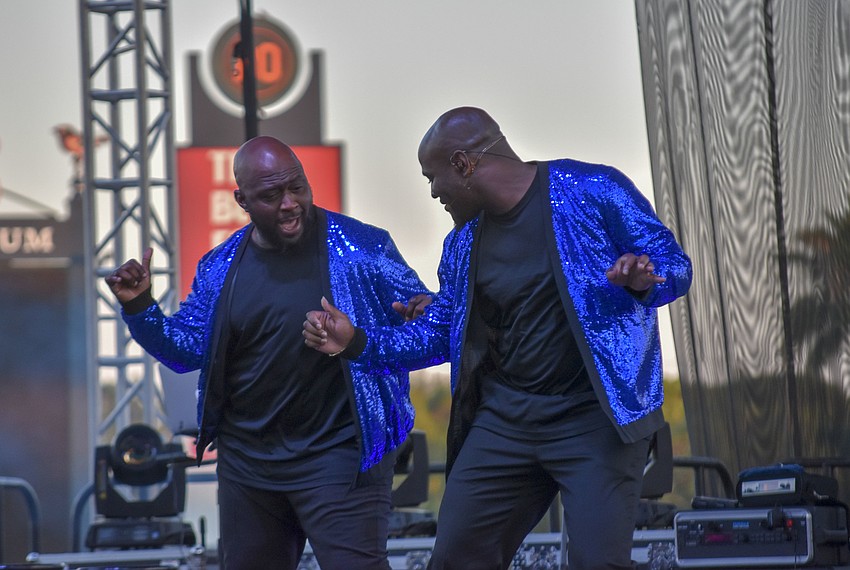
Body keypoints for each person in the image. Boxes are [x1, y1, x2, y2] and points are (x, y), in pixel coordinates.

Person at [303, 107, 693, 569]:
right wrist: (357, 342)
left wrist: (645, 281)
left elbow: (674, 264)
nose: (433, 192)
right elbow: (440, 332)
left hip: (595, 420)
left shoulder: (593, 190)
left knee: (598, 563)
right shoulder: (463, 244)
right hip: (506, 421)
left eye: (433, 178)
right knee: (455, 561)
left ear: (464, 165)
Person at [105, 135, 433, 570]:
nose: (290, 203)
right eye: (271, 194)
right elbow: (185, 350)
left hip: (340, 455)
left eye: (297, 186)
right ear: (242, 199)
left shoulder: (365, 250)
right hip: (248, 465)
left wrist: (409, 317)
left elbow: (429, 328)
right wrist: (139, 306)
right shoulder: (220, 266)